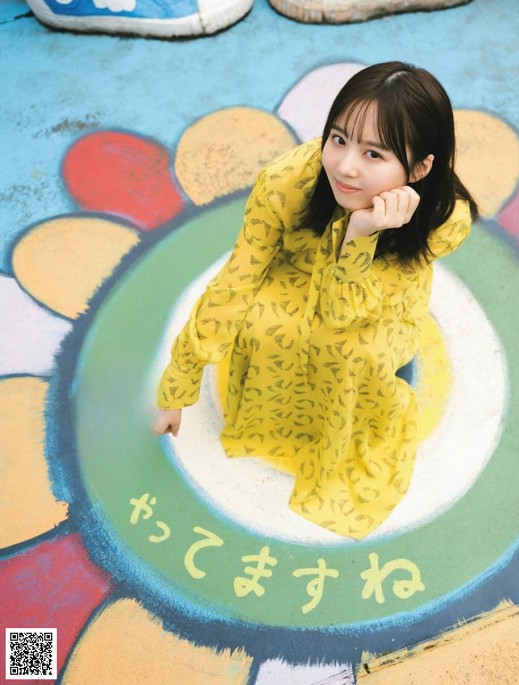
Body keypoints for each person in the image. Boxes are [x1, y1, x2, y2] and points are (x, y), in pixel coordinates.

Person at [154, 61, 477, 539]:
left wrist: (360, 233)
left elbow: (345, 312)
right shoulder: (287, 182)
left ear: (421, 167)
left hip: (375, 303)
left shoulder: (443, 219)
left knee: (352, 352)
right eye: (339, 139)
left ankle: (332, 434)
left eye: (374, 154)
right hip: (295, 275)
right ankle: (278, 423)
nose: (345, 167)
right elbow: (236, 282)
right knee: (261, 322)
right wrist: (177, 385)